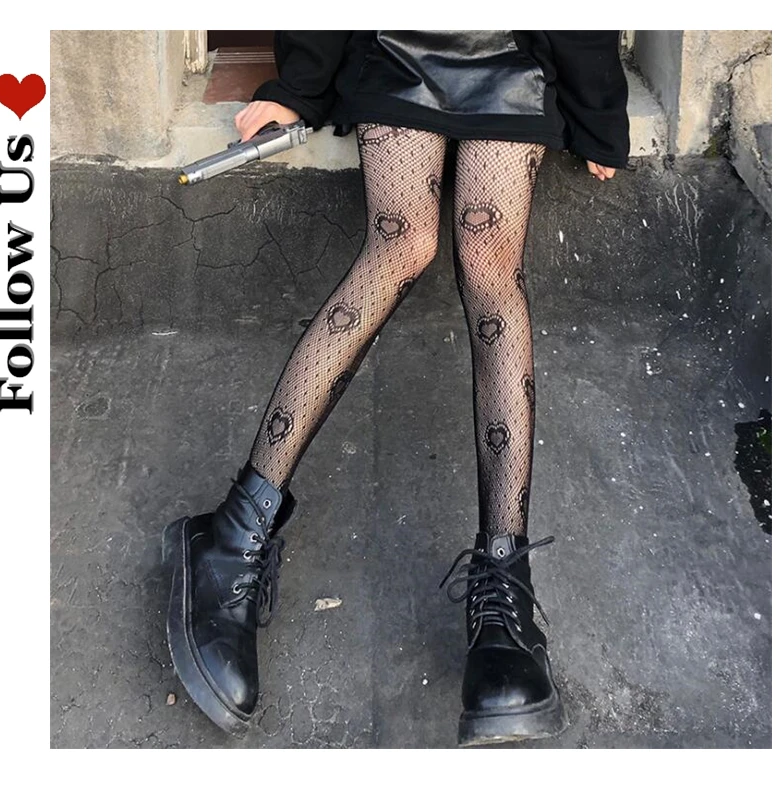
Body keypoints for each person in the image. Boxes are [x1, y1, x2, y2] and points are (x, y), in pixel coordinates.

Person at [164, 30, 630, 746]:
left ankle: (504, 586)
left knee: (491, 264)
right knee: (403, 243)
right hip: (397, 43)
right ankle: (233, 531)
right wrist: (300, 86)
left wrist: (597, 104)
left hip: (512, 53)